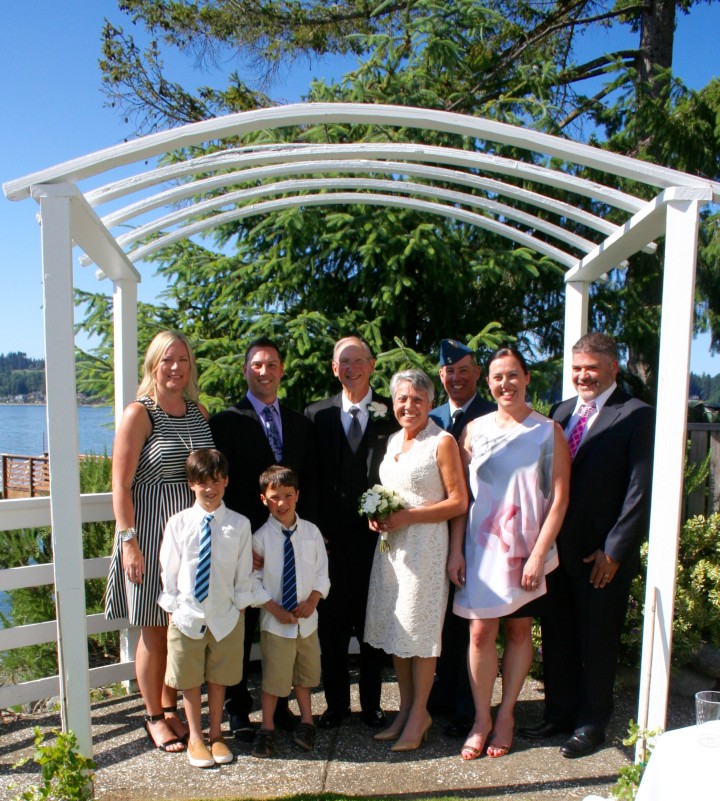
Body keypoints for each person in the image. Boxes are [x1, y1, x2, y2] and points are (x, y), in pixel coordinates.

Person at [519, 333, 654, 758]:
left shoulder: (636, 415)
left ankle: (592, 723)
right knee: (557, 636)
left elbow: (639, 491)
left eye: (591, 368)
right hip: (557, 550)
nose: (582, 376)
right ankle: (559, 713)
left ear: (613, 368)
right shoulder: (561, 412)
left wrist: (614, 551)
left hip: (600, 556)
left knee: (597, 641)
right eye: (577, 368)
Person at [449, 346, 570, 760]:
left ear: (527, 378)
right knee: (480, 633)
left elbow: (559, 499)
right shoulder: (474, 431)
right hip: (481, 549)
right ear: (489, 383)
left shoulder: (548, 431)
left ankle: (506, 716)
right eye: (498, 377)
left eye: (513, 375)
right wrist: (455, 550)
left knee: (519, 631)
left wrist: (538, 555)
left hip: (526, 550)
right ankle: (481, 719)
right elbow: (461, 498)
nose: (506, 384)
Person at [105, 330, 214, 751]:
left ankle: (170, 707)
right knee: (153, 629)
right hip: (150, 533)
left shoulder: (198, 412)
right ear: (153, 364)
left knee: (179, 626)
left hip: (191, 536)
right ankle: (153, 715)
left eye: (182, 359)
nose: (175, 367)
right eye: (167, 359)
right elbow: (120, 485)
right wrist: (128, 541)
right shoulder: (139, 413)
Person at [209, 336, 318, 741]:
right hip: (244, 545)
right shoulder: (225, 422)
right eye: (257, 364)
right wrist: (236, 544)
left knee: (281, 626)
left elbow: (309, 483)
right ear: (246, 370)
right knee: (240, 628)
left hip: (287, 545)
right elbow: (219, 486)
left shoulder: (299, 423)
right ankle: (239, 709)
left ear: (281, 370)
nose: (264, 371)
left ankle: (281, 703)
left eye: (272, 364)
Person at [364, 368, 468, 752]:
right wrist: (377, 514)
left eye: (417, 399)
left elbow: (459, 501)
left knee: (419, 634)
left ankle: (420, 713)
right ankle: (406, 711)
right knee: (397, 632)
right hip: (391, 550)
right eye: (402, 399)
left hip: (425, 548)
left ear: (430, 402)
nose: (409, 406)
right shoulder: (394, 439)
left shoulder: (442, 442)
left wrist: (408, 516)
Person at [305, 335, 398, 730]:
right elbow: (309, 477)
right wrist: (316, 531)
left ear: (372, 365)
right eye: (344, 362)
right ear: (334, 369)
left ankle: (373, 704)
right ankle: (336, 705)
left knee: (372, 623)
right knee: (333, 627)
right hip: (330, 543)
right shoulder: (317, 415)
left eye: (359, 360)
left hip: (379, 541)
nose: (352, 368)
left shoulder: (392, 412)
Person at [158, 448, 253, 768]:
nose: (209, 488)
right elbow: (169, 569)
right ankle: (195, 737)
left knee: (219, 676)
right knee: (189, 678)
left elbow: (243, 570)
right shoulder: (178, 523)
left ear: (226, 482)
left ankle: (216, 733)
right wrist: (173, 607)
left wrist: (240, 606)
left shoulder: (239, 524)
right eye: (202, 482)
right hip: (188, 614)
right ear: (191, 484)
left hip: (225, 615)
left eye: (216, 481)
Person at [428, 338, 496, 737]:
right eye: (449, 371)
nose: (456, 378)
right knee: (441, 618)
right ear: (441, 375)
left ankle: (467, 707)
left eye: (464, 370)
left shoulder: (492, 415)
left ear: (477, 374)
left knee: (472, 623)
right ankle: (440, 694)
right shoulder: (431, 416)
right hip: (434, 532)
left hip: (480, 533)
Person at [249, 465, 330, 758]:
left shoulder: (311, 532)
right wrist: (273, 609)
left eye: (287, 495)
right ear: (264, 499)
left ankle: (307, 722)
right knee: (274, 678)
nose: (281, 503)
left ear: (297, 495)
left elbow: (322, 572)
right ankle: (267, 727)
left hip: (306, 621)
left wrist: (314, 599)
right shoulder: (260, 538)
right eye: (274, 497)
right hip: (276, 623)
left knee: (305, 676)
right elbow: (252, 580)